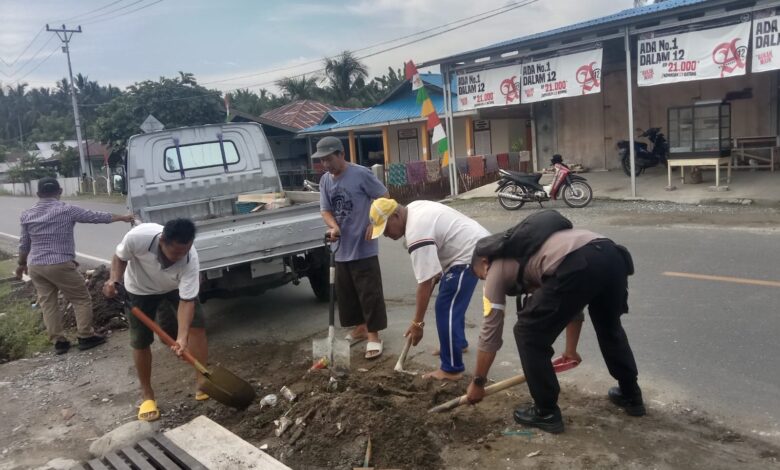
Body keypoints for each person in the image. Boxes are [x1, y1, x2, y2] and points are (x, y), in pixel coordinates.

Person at [466, 211, 644, 434]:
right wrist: (570, 350)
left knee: (527, 333)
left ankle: (546, 411)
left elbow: (490, 330)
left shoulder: (495, 268)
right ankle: (631, 394)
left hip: (579, 262)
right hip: (611, 254)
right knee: (610, 327)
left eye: (480, 275)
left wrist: (478, 382)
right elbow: (572, 302)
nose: (485, 281)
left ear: (484, 262)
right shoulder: (536, 252)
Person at [369, 197, 489, 380]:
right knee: (450, 301)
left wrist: (417, 323)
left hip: (470, 255)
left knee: (445, 306)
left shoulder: (416, 232)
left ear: (395, 215)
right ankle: (457, 344)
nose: (386, 235)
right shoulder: (412, 208)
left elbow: (425, 283)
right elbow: (431, 273)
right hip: (472, 246)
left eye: (385, 229)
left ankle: (451, 369)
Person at [102, 218, 207, 422]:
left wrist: (182, 337)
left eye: (185, 251)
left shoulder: (190, 259)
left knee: (197, 326)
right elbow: (120, 257)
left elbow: (187, 302)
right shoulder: (138, 237)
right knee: (140, 340)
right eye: (175, 253)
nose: (180, 257)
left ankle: (203, 381)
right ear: (162, 242)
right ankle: (147, 395)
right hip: (139, 290)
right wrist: (114, 279)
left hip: (174, 288)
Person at [15, 177, 134, 354]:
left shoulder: (27, 214)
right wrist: (123, 217)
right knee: (81, 298)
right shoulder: (66, 210)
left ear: (38, 194)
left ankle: (59, 342)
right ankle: (86, 336)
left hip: (36, 266)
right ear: (60, 191)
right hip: (59, 263)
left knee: (48, 303)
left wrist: (21, 264)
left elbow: (24, 244)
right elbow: (95, 216)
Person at [313, 136, 390, 360]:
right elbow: (325, 210)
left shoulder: (361, 174)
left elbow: (384, 197)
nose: (326, 165)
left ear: (341, 154)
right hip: (341, 246)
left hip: (363, 244)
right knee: (347, 293)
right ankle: (360, 327)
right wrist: (334, 226)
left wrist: (375, 222)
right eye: (322, 161)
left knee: (368, 292)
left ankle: (374, 336)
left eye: (329, 159)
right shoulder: (325, 181)